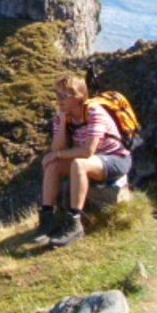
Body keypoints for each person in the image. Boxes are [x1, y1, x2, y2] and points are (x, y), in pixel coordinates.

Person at [32, 72, 133, 247]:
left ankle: (74, 223)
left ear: (79, 96)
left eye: (64, 95)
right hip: (92, 160)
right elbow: (57, 147)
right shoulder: (62, 115)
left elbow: (87, 151)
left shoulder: (94, 112)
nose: (59, 99)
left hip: (115, 159)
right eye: (57, 95)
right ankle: (48, 218)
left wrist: (56, 155)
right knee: (53, 165)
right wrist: (62, 122)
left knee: (79, 164)